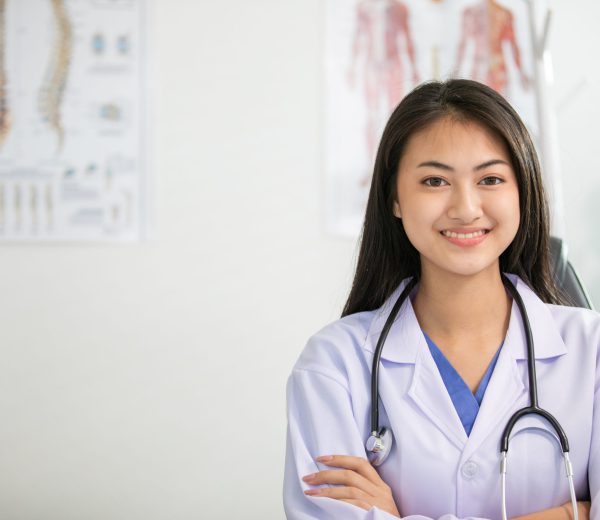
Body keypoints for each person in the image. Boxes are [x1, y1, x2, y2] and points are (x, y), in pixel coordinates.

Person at [283, 79, 598, 519]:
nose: (466, 208)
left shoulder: (593, 350)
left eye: (490, 178)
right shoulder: (334, 365)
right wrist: (571, 513)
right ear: (394, 197)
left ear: (521, 190)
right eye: (435, 181)